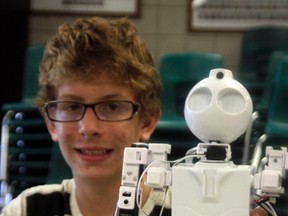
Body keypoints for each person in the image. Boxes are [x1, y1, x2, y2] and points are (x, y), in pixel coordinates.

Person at [1, 16, 267, 216]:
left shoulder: (189, 210)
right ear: (51, 123)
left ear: (148, 120)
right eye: (72, 107)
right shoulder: (26, 209)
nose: (89, 127)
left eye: (112, 107)